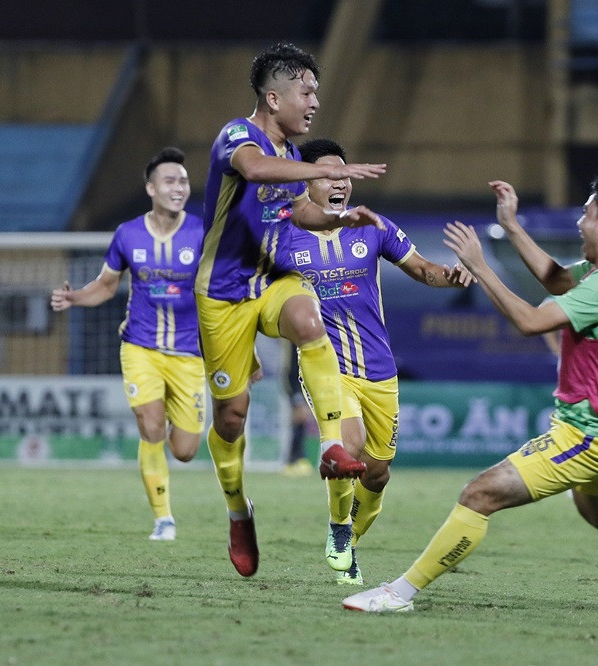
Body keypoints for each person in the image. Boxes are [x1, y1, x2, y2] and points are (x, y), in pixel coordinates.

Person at [342, 169, 598, 612]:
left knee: (479, 494)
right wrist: (511, 225)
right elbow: (553, 280)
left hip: (587, 435)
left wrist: (480, 267)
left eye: (586, 214)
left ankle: (399, 593)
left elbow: (530, 321)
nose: (579, 222)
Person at [196, 42, 389, 578]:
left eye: (316, 94)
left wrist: (337, 219)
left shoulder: (294, 161)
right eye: (306, 93)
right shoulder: (239, 136)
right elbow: (256, 171)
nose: (314, 104)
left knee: (309, 319)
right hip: (222, 293)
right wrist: (315, 172)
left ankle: (330, 446)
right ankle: (238, 510)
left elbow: (297, 209)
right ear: (273, 96)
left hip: (273, 279)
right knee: (231, 418)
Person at [292, 138, 473, 585]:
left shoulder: (372, 227)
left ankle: (348, 541)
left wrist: (451, 277)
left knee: (377, 474)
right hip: (326, 366)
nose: (339, 183)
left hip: (379, 370)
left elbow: (421, 268)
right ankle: (337, 528)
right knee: (347, 446)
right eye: (326, 176)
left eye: (344, 175)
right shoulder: (285, 236)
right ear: (304, 184)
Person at [51, 147, 204, 542]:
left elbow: (219, 292)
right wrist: (75, 298)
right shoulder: (128, 234)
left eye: (183, 181)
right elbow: (106, 285)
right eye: (170, 180)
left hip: (189, 353)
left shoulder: (202, 233)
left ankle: (171, 424)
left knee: (185, 450)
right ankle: (163, 518)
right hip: (140, 347)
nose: (179, 187)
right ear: (151, 188)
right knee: (150, 426)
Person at [281, 341, 315, 477]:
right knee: (299, 418)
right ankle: (292, 459)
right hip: (296, 386)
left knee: (305, 420)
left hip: (311, 384)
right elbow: (289, 369)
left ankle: (299, 458)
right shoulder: (293, 340)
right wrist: (296, 397)